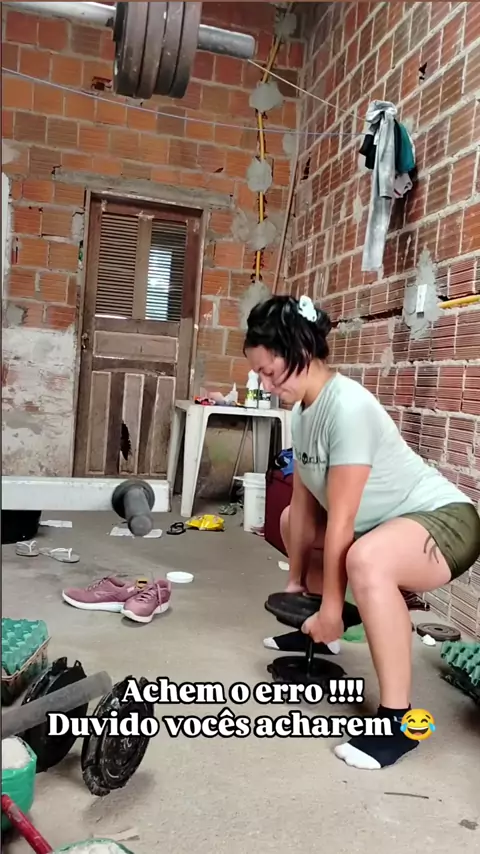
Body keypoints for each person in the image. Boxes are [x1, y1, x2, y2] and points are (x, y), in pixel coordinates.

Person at [243, 294, 480, 770]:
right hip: (385, 524)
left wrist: (334, 608)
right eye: (259, 374)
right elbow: (303, 502)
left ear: (301, 353)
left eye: (269, 372)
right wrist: (297, 584)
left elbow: (343, 522)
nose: (265, 385)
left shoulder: (347, 408)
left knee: (366, 560)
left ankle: (398, 723)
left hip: (446, 521)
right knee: (290, 521)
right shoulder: (302, 410)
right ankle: (321, 635)